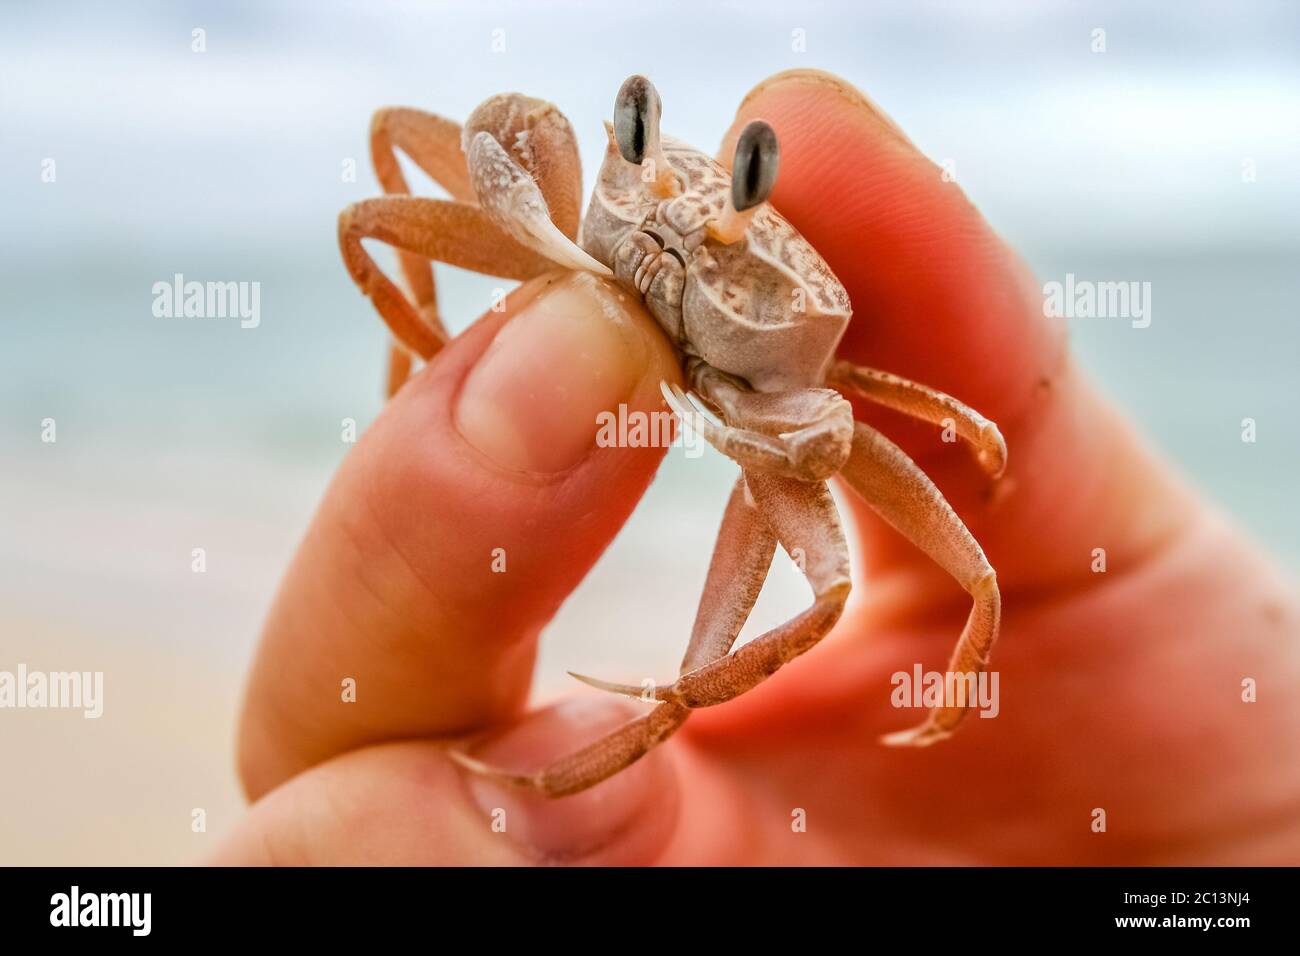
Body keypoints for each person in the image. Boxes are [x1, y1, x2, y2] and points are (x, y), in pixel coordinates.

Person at [213, 70, 1300, 865]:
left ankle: (653, 713)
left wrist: (958, 460)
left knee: (857, 580)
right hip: (587, 285)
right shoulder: (623, 187)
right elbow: (411, 143)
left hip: (759, 393)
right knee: (383, 196)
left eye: (716, 226)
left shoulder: (813, 343)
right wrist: (430, 356)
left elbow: (945, 550)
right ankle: (421, 367)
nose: (673, 244)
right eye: (629, 152)